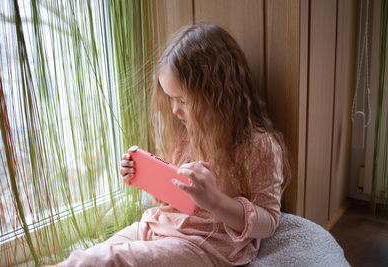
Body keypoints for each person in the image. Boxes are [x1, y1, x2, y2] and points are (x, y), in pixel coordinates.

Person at [54, 24, 291, 267]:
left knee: (108, 260)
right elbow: (175, 201)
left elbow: (269, 221)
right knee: (94, 254)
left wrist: (215, 201)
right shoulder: (186, 134)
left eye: (183, 100)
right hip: (157, 225)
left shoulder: (258, 146)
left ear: (217, 94)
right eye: (170, 98)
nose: (174, 109)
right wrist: (147, 179)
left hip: (202, 244)